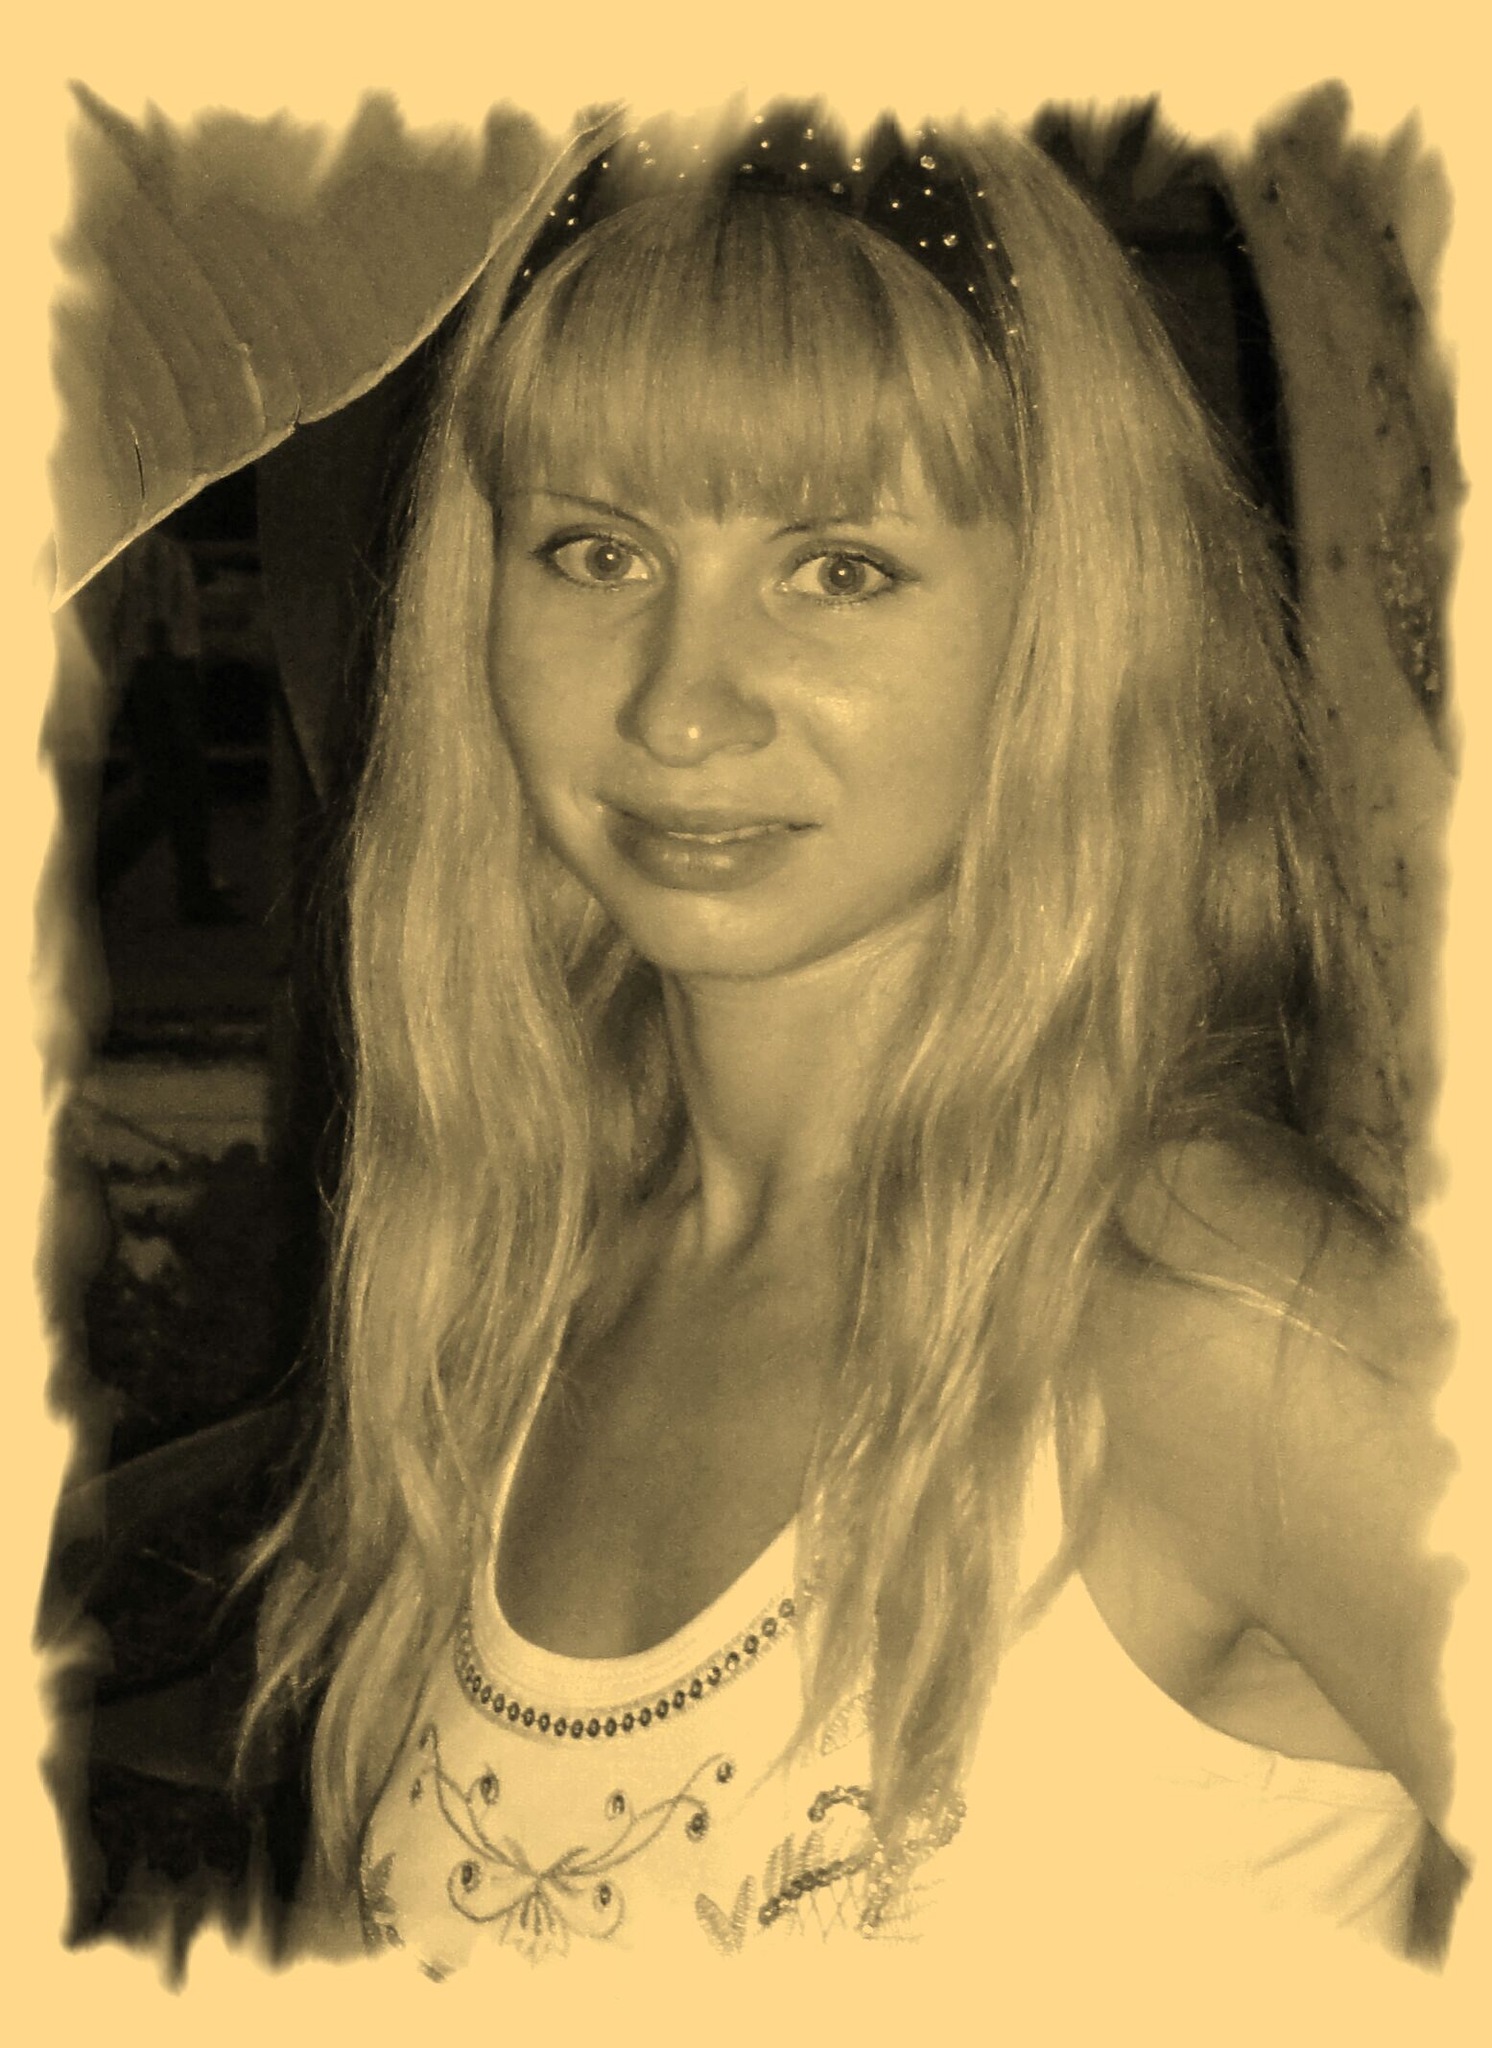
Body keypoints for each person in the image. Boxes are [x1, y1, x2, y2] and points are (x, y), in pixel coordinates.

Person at [237, 106, 1463, 1973]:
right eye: (593, 551)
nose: (683, 705)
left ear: (1067, 614)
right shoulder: (500, 1284)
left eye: (837, 568)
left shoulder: (1222, 1334)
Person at [97, 515, 241, 925]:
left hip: (155, 676)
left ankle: (189, 886)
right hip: (162, 677)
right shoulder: (156, 549)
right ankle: (107, 875)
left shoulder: (152, 547)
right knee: (176, 790)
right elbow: (157, 625)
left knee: (170, 792)